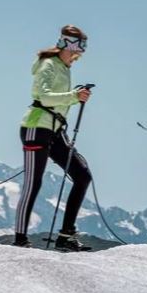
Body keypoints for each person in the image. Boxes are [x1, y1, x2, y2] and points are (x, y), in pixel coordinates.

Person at [14, 25, 96, 252]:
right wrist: (73, 96)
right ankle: (20, 239)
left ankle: (65, 235)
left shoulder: (63, 67)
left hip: (55, 129)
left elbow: (56, 98)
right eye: (78, 50)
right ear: (69, 46)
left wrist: (74, 96)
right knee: (33, 183)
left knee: (82, 175)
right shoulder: (48, 65)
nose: (78, 56)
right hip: (36, 126)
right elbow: (43, 96)